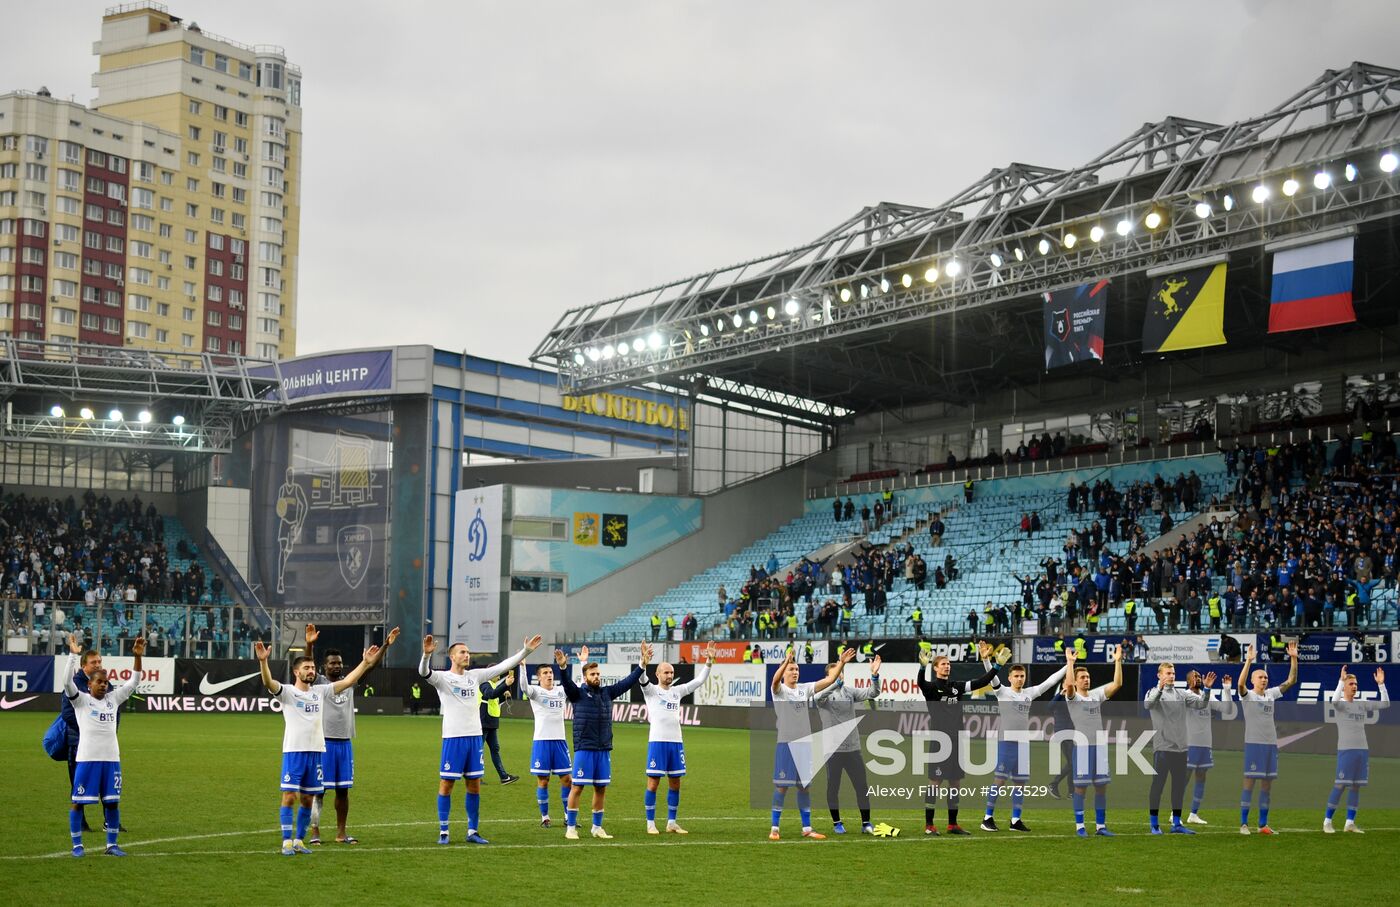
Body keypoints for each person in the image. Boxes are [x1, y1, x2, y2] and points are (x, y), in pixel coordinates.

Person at [253, 637, 382, 856]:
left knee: (307, 798)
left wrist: (365, 663)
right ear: (296, 672)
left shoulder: (320, 692)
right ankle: (286, 841)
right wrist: (263, 662)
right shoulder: (287, 692)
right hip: (294, 752)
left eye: (312, 667)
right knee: (290, 797)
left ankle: (299, 841)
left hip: (316, 753)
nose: (310, 670)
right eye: (306, 668)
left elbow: (349, 681)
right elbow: (268, 683)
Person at [419, 633, 541, 845]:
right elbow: (423, 672)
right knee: (446, 784)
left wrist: (526, 651)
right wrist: (426, 655)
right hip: (453, 739)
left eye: (468, 652)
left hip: (474, 740)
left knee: (474, 785)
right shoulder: (443, 678)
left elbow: (502, 666)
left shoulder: (474, 676)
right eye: (462, 652)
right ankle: (444, 832)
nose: (467, 655)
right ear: (452, 657)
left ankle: (472, 831)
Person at [304, 623, 401, 845]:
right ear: (324, 666)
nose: (337, 666)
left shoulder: (349, 682)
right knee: (319, 791)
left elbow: (370, 666)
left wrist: (385, 645)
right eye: (332, 663)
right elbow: (306, 665)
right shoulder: (317, 683)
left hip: (345, 744)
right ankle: (315, 832)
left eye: (339, 663)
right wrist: (309, 645)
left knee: (343, 792)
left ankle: (341, 833)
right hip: (323, 744)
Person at [62, 632, 144, 857]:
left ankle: (112, 845)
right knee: (78, 802)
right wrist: (72, 655)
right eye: (99, 682)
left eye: (106, 682)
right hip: (87, 760)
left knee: (112, 803)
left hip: (111, 760)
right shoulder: (81, 701)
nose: (103, 685)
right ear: (89, 684)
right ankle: (77, 846)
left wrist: (137, 656)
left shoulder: (113, 699)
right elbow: (66, 682)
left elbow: (134, 681)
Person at [555, 643, 648, 840]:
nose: (596, 677)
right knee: (577, 787)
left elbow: (628, 681)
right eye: (592, 674)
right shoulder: (577, 694)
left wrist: (642, 664)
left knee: (601, 788)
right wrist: (563, 667)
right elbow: (567, 684)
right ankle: (571, 827)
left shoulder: (607, 693)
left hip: (603, 748)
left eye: (598, 674)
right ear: (586, 677)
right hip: (584, 748)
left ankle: (597, 827)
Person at [768, 647, 854, 840]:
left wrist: (842, 663)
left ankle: (807, 828)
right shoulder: (779, 691)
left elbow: (829, 681)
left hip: (804, 746)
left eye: (797, 669)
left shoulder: (804, 689)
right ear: (784, 672)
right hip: (786, 745)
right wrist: (784, 662)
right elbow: (774, 681)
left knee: (804, 787)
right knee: (781, 786)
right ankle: (775, 828)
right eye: (792, 669)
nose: (795, 672)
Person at [917, 641, 999, 835]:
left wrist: (997, 667)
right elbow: (921, 682)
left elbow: (980, 682)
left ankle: (952, 824)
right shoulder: (931, 688)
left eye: (948, 664)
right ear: (935, 668)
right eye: (943, 664)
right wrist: (922, 667)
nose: (947, 666)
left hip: (957, 740)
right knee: (935, 782)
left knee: (955, 783)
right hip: (939, 741)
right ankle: (929, 825)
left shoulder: (957, 687)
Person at [981, 659, 1067, 832]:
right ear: (1010, 678)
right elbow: (991, 676)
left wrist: (1069, 665)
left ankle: (1015, 820)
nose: (1020, 679)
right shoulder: (1002, 691)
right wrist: (985, 659)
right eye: (1016, 676)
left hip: (1022, 744)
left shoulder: (1029, 693)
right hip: (1006, 743)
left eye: (1022, 676)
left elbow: (1050, 681)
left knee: (1020, 783)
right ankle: (987, 818)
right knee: (999, 780)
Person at [640, 641, 715, 834]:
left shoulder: (677, 691)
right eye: (666, 672)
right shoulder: (651, 691)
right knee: (653, 783)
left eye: (672, 672)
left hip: (676, 743)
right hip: (657, 743)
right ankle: (650, 823)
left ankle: (671, 822)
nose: (670, 675)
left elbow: (698, 681)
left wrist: (709, 661)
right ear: (657, 674)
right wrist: (643, 662)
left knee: (675, 783)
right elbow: (641, 678)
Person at [812, 653, 882, 835]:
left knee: (862, 786)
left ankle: (866, 823)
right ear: (829, 676)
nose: (840, 674)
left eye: (841, 671)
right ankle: (837, 823)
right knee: (833, 787)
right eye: (836, 672)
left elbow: (872, 693)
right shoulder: (822, 694)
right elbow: (817, 699)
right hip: (833, 750)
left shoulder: (849, 691)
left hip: (853, 748)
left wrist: (874, 676)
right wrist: (834, 683)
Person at [1062, 644, 1124, 837]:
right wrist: (1070, 663)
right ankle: (1080, 826)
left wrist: (1118, 661)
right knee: (1081, 788)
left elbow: (1117, 684)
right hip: (1082, 748)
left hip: (1099, 747)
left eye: (1088, 677)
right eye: (1083, 677)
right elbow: (1070, 685)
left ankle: (1100, 827)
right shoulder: (1072, 697)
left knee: (1101, 787)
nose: (1086, 680)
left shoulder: (1096, 695)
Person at [1237, 641, 1298, 835]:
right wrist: (1248, 662)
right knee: (1249, 783)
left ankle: (1263, 824)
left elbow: (1291, 681)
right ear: (1253, 680)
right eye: (1260, 677)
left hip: (1271, 745)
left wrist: (1294, 659)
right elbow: (1240, 684)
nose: (1264, 679)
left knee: (1267, 786)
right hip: (1254, 745)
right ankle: (1244, 824)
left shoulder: (1271, 694)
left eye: (1265, 677)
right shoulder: (1248, 696)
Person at [1144, 663, 1212, 834]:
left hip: (1181, 749)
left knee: (1178, 788)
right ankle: (1154, 824)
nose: (1171, 676)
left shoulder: (1181, 694)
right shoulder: (1152, 692)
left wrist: (1208, 689)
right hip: (1163, 748)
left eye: (1173, 673)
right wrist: (1159, 688)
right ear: (1159, 675)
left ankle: (1177, 823)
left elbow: (1202, 704)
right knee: (1157, 786)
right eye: (1168, 673)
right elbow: (1148, 705)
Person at [1323, 664, 1388, 833]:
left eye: (1356, 684)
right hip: (1346, 750)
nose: (1355, 686)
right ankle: (1327, 821)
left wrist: (1381, 684)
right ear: (1344, 686)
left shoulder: (1361, 704)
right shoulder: (1341, 705)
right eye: (1351, 684)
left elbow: (1385, 703)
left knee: (1356, 786)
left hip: (1362, 750)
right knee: (1340, 785)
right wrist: (1340, 680)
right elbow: (1334, 701)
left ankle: (1349, 823)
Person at [59, 644, 112, 835]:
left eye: (99, 661)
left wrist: (108, 730)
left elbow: (114, 711)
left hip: (104, 747)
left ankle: (109, 822)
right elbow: (67, 713)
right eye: (93, 662)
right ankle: (80, 823)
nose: (98, 665)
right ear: (84, 666)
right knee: (79, 784)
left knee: (107, 786)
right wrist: (89, 729)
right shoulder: (76, 683)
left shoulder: (105, 682)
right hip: (79, 744)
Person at [519, 658, 572, 827]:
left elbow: (578, 688)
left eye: (550, 672)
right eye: (545, 673)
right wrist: (522, 666)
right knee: (543, 781)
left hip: (560, 742)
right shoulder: (535, 692)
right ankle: (545, 817)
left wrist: (583, 661)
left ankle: (567, 815)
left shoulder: (561, 691)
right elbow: (523, 687)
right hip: (542, 742)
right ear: (539, 677)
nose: (549, 675)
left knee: (567, 780)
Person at [1184, 670, 1236, 824]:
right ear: (1188, 681)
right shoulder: (1185, 695)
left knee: (1201, 778)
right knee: (1184, 779)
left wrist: (1227, 689)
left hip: (1205, 743)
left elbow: (1227, 710)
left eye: (1199, 676)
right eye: (1195, 677)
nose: (1198, 679)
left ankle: (1193, 814)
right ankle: (1175, 813)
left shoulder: (1208, 694)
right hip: (1189, 743)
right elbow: (1201, 705)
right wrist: (1207, 689)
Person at [480, 673, 520, 785]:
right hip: (484, 721)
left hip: (491, 722)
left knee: (494, 749)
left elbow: (494, 700)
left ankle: (504, 777)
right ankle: (476, 777)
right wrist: (505, 685)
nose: (498, 676)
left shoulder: (492, 685)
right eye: (497, 673)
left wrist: (503, 696)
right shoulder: (484, 684)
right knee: (479, 751)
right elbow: (491, 695)